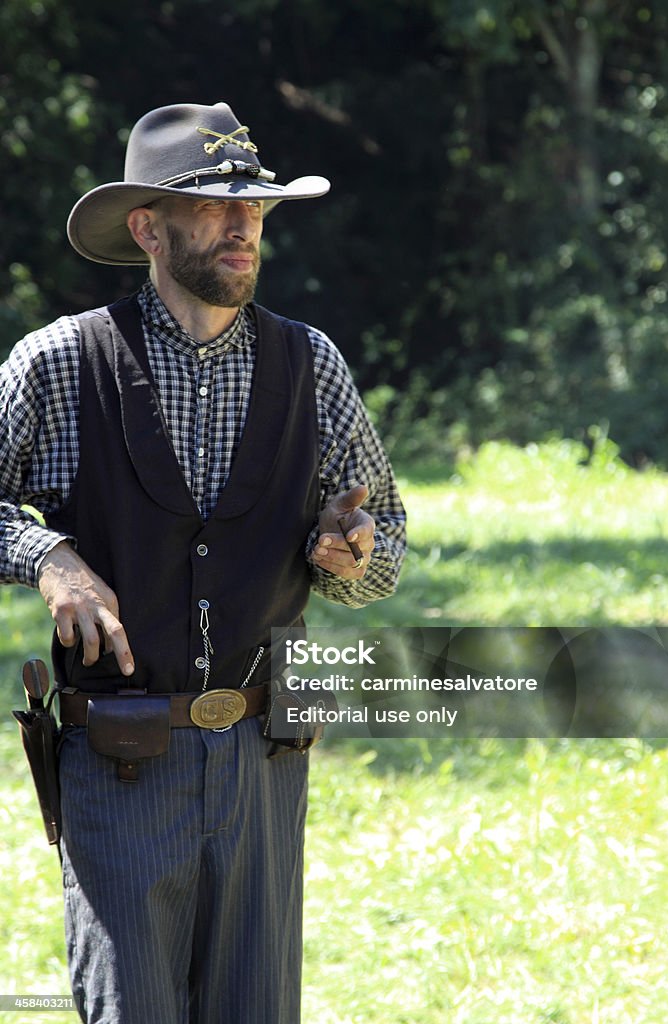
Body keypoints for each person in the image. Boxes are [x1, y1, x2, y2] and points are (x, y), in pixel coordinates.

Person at [0, 102, 406, 1024]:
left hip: (267, 759)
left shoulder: (314, 364)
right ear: (148, 227)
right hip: (121, 763)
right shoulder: (61, 364)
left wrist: (352, 554)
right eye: (218, 208)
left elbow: (386, 548)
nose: (244, 226)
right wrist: (47, 555)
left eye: (255, 207)